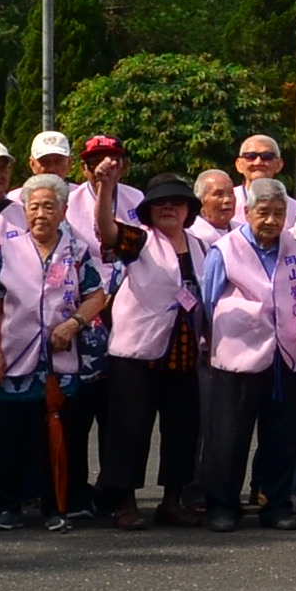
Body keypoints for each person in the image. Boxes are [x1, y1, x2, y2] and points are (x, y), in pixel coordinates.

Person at [0, 176, 109, 533]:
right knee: (7, 435)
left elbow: (98, 295)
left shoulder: (77, 251)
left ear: (63, 211)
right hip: (14, 354)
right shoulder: (8, 249)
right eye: (34, 207)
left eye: (49, 206)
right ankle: (8, 507)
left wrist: (75, 324)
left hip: (58, 362)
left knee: (53, 437)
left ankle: (55, 507)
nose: (40, 214)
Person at [196, 177, 296, 531]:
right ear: (247, 212)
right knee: (229, 437)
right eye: (264, 213)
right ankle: (223, 506)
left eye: (279, 213)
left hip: (286, 354)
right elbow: (209, 300)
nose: (272, 220)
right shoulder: (226, 250)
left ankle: (276, 504)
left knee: (282, 436)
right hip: (237, 355)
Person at [95, 177, 207, 528]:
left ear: (189, 210)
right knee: (129, 429)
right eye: (161, 203)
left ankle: (172, 501)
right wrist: (105, 190)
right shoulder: (141, 240)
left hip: (185, 352)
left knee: (182, 430)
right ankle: (124, 503)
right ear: (149, 211)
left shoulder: (202, 246)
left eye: (177, 202)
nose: (169, 207)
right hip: (138, 353)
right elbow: (107, 231)